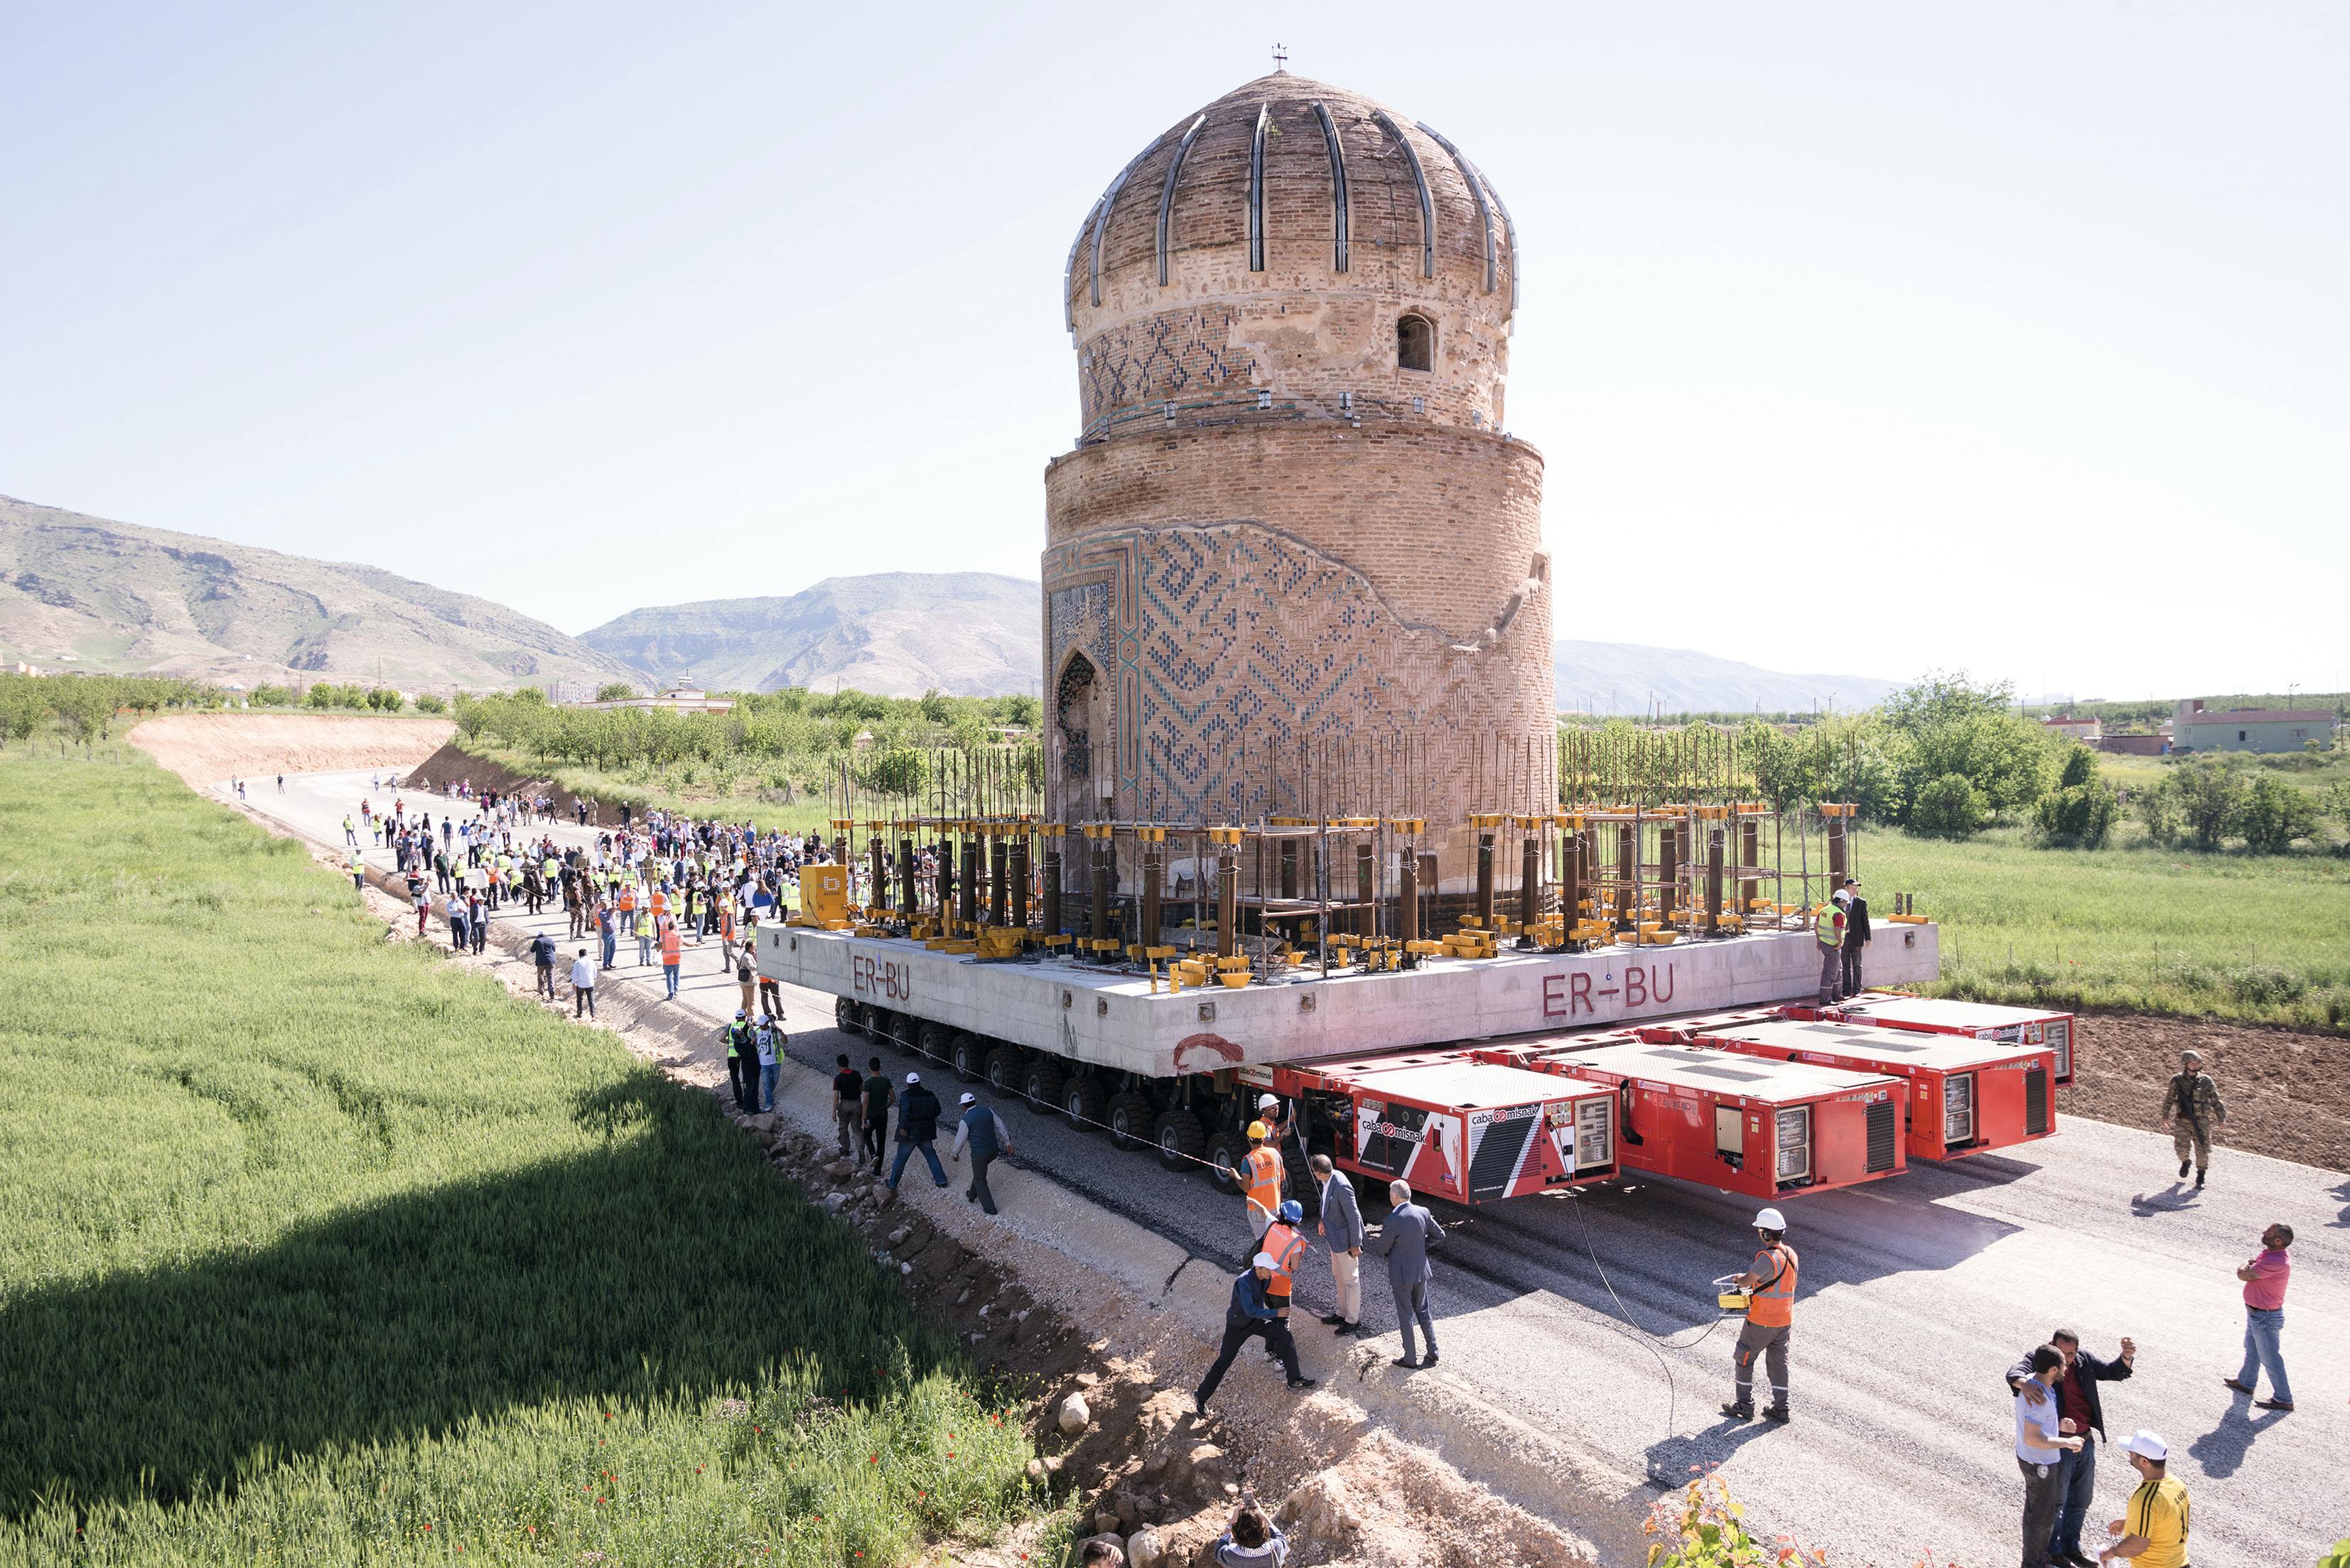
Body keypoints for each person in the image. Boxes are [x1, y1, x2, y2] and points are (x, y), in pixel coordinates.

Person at [2008, 1330, 2138, 1566]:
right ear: (2053, 1350)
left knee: (2081, 1500)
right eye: (2064, 1355)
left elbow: (2112, 1372)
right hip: (2058, 1444)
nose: (2069, 1360)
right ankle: (2052, 1552)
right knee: (2055, 1503)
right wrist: (2025, 1384)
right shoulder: (2042, 1362)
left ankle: (2071, 1548)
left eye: (2072, 1353)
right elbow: (2014, 1373)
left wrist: (2126, 1357)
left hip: (2085, 1441)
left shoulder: (2083, 1361)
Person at [1193, 1255, 1315, 1412]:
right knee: (1224, 1362)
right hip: (1237, 1327)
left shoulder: (1266, 1278)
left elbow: (1260, 1303)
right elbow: (1250, 1310)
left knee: (1284, 1335)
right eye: (1268, 1269)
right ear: (1258, 1268)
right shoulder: (1243, 1282)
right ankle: (1201, 1397)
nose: (1272, 1271)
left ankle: (1294, 1379)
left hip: (1255, 1322)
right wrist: (1275, 1313)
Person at [1722, 1206, 1797, 1423]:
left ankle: (1744, 1405)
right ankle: (1781, 1409)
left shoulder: (1768, 1258)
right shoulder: (1791, 1254)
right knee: (1778, 1364)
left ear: (1766, 1234)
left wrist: (1738, 1278)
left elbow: (1747, 1280)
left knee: (1744, 1358)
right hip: (1784, 1320)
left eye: (1760, 1230)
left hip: (1762, 1320)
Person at [2015, 1345, 2086, 1568]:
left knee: (2037, 1513)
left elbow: (2039, 1426)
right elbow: (2033, 1438)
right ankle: (2033, 1564)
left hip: (2034, 1460)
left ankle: (2035, 1561)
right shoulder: (2039, 1397)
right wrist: (2068, 1442)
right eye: (2064, 1364)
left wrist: (2057, 1425)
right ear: (2054, 1369)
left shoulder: (2033, 1383)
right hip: (2039, 1463)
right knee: (2041, 1520)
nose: (2068, 1367)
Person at [1371, 1179, 1444, 1370]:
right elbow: (1439, 1234)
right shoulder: (1423, 1212)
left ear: (1396, 1197)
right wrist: (1420, 1247)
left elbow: (1382, 1248)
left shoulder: (1393, 1220)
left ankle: (1410, 1358)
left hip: (1402, 1274)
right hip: (1421, 1270)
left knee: (1406, 1315)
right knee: (1423, 1311)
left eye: (1390, 1196)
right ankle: (1433, 1352)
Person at [2223, 1221, 2293, 1411]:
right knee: (2252, 1349)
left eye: (2269, 1232)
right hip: (2258, 1313)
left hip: (2265, 1317)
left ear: (2278, 1240)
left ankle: (2284, 1398)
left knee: (2270, 1358)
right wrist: (2250, 1266)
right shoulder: (2271, 1253)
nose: (2264, 1232)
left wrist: (2245, 1263)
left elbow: (2244, 1274)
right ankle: (2246, 1382)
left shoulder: (2275, 1261)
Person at [2098, 1429, 2188, 1568]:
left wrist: (2112, 1551)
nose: (2129, 1454)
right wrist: (2130, 1522)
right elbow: (2166, 1519)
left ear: (2144, 1461)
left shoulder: (2146, 1496)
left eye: (2132, 1452)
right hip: (2180, 1563)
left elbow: (2138, 1545)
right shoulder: (2176, 1484)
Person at [1310, 1155, 1364, 1336]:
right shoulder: (1328, 1181)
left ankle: (1352, 1320)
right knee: (1339, 1276)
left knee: (1351, 1280)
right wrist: (1322, 1220)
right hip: (1335, 1240)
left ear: (1318, 1173)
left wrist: (1355, 1244)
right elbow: (1327, 1204)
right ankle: (1341, 1313)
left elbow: (1354, 1216)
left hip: (1346, 1243)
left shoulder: (1341, 1186)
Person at [2158, 1050, 2226, 1190]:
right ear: (2186, 1064)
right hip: (2182, 1121)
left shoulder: (2206, 1081)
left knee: (2203, 1150)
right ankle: (2186, 1162)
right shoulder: (2177, 1080)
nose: (2195, 1066)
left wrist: (2221, 1118)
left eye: (2198, 1063)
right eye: (2193, 1063)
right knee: (2180, 1149)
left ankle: (2201, 1176)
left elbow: (2216, 1100)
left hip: (2201, 1122)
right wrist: (2165, 1115)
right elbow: (2169, 1099)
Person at [950, 1091, 1013, 1215]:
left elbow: (960, 1140)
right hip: (994, 1150)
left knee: (980, 1178)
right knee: (979, 1172)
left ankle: (990, 1207)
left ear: (964, 1106)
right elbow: (1000, 1125)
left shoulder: (965, 1120)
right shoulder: (988, 1111)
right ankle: (972, 1195)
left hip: (980, 1153)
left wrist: (955, 1153)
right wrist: (1007, 1142)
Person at [887, 1071, 949, 1194]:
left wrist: (902, 1128)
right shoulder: (929, 1094)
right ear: (919, 1082)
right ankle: (941, 1180)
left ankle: (892, 1184)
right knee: (931, 1154)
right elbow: (938, 1110)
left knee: (901, 1158)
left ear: (908, 1084)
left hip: (911, 1132)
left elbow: (904, 1112)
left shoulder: (906, 1095)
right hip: (926, 1131)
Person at [1260, 1199, 1307, 1348]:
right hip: (1281, 1287)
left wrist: (1255, 1203)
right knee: (1283, 1322)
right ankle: (1281, 1359)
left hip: (1264, 1281)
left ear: (1281, 1214)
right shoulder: (1295, 1241)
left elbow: (1264, 1212)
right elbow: (1294, 1267)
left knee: (1271, 1316)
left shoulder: (1272, 1225)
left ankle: (1269, 1350)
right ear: (1297, 1222)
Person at [1211, 1486, 1292, 1568]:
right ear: (1263, 1531)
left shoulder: (1231, 1556)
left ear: (1236, 1534)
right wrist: (1261, 1514)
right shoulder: (1276, 1549)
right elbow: (1280, 1537)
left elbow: (1220, 1548)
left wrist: (1232, 1521)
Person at [1240, 1120, 1283, 1240]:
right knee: (1274, 1239)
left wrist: (1235, 1176)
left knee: (1262, 1243)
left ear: (1248, 1138)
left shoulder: (1248, 1160)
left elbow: (1245, 1187)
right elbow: (1281, 1179)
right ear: (1264, 1138)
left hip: (1257, 1208)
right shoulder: (1275, 1154)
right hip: (1275, 1206)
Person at [1838, 875, 1870, 996]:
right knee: (1845, 965)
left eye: (1856, 888)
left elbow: (1865, 921)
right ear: (1846, 888)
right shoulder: (1839, 903)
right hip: (1844, 938)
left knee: (1857, 964)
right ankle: (1846, 990)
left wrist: (1868, 937)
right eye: (1852, 888)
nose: (1855, 890)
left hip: (1856, 937)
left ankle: (1857, 989)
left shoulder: (1861, 903)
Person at [861, 1055, 893, 1174]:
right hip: (883, 1115)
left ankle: (873, 1154)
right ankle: (878, 1170)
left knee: (866, 1136)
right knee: (881, 1141)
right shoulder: (886, 1081)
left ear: (869, 1068)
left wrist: (864, 1116)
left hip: (871, 1115)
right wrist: (886, 1106)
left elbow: (866, 1101)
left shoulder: (868, 1083)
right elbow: (893, 1097)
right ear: (880, 1067)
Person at [722, 1012, 758, 1114]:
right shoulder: (746, 1026)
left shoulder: (731, 1026)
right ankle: (749, 1103)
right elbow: (753, 1039)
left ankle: (739, 1102)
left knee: (735, 1079)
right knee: (746, 1079)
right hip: (743, 1057)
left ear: (736, 1017)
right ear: (745, 1017)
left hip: (732, 1056)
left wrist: (729, 1043)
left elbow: (721, 1038)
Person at [1813, 892, 1845, 1005]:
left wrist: (1819, 939)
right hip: (1833, 946)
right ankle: (1825, 999)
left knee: (1838, 968)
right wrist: (1840, 942)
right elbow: (1838, 929)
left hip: (1825, 944)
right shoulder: (1838, 914)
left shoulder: (1824, 910)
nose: (1845, 905)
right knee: (1830, 972)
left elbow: (1816, 925)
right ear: (1842, 901)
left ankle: (1837, 994)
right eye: (1845, 902)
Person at [831, 1053, 863, 1157]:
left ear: (838, 1065)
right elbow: (862, 1087)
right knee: (857, 1128)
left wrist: (834, 1111)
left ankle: (845, 1149)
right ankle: (860, 1150)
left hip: (844, 1105)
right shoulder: (856, 1074)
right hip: (857, 1104)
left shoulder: (838, 1078)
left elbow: (836, 1096)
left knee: (843, 1128)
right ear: (848, 1063)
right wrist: (857, 1096)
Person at [755, 1013, 782, 1112]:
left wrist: (780, 1030)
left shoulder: (773, 1032)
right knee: (766, 1083)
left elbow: (785, 1041)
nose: (761, 1026)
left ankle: (769, 1093)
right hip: (763, 1063)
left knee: (775, 1081)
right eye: (760, 1025)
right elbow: (750, 1036)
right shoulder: (757, 1032)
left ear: (767, 1023)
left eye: (762, 1024)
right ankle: (769, 1103)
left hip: (775, 1062)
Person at [659, 918, 683, 1000]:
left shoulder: (664, 936)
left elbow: (659, 947)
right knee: (676, 974)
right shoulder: (678, 936)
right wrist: (695, 945)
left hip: (667, 960)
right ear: (675, 927)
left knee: (669, 976)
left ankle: (671, 994)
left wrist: (658, 946)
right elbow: (687, 944)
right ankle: (676, 990)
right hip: (676, 959)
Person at [570, 948, 597, 1017]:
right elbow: (595, 973)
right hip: (590, 983)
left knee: (579, 1000)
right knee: (591, 999)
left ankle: (579, 1013)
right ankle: (593, 1014)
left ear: (579, 955)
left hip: (581, 984)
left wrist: (574, 983)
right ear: (586, 954)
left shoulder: (578, 963)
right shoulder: (591, 961)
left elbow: (575, 974)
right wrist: (593, 979)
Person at [530, 930, 557, 999]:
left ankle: (541, 991)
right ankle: (552, 993)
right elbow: (554, 949)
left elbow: (532, 950)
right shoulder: (550, 940)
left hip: (541, 962)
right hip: (550, 961)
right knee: (550, 976)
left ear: (538, 935)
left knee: (540, 976)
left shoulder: (537, 941)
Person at [735, 943, 758, 1018]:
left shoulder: (744, 955)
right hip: (749, 983)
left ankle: (741, 1017)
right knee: (751, 1002)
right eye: (754, 947)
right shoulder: (746, 956)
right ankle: (750, 1019)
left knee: (745, 1001)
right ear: (751, 948)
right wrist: (760, 966)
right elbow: (751, 967)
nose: (755, 949)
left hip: (744, 983)